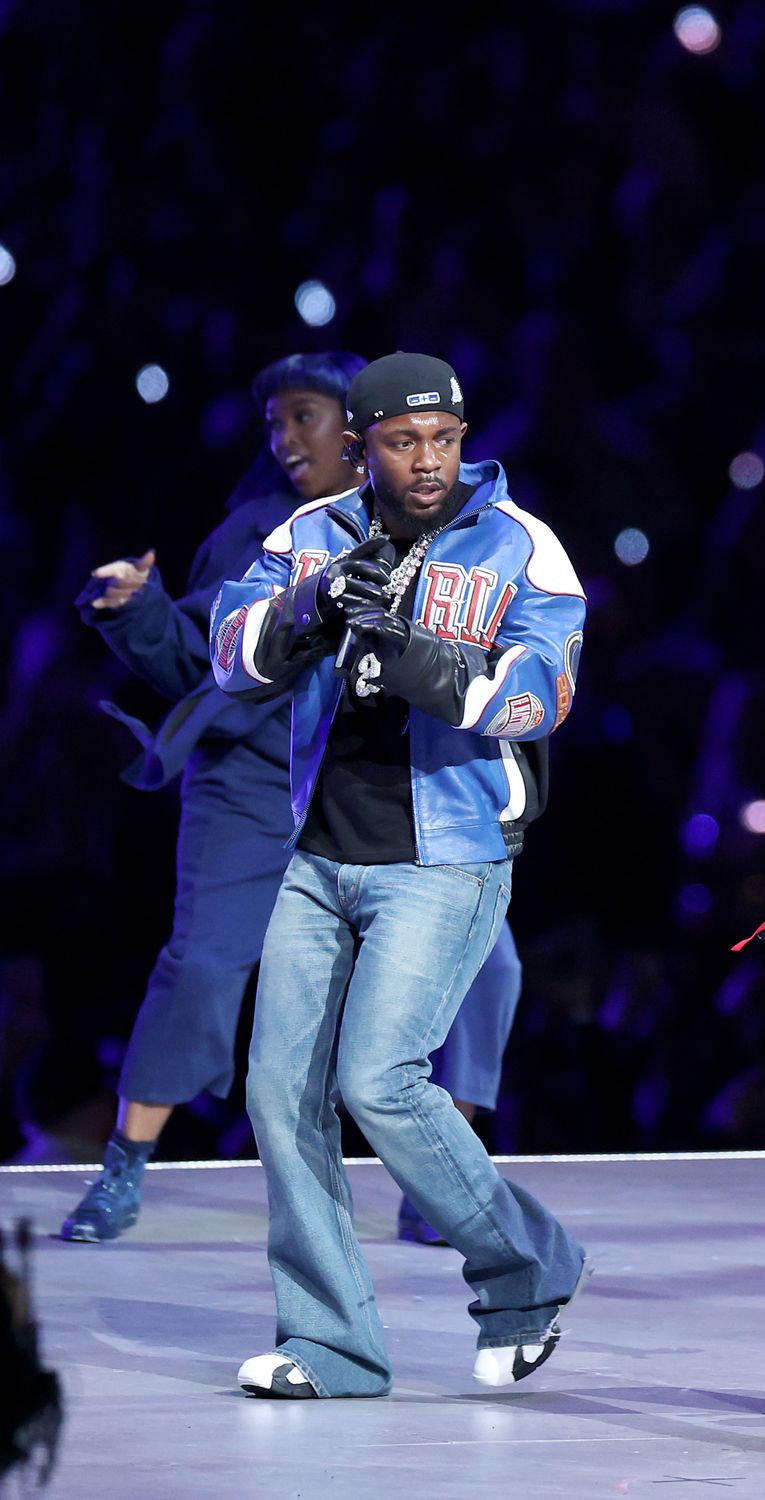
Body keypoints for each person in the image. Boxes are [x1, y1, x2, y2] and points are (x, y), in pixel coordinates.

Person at [61, 352, 522, 1248]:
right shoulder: (264, 531)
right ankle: (123, 1166)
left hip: (389, 783)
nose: (283, 439)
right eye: (274, 423)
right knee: (204, 966)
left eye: (302, 416)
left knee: (488, 966)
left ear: (358, 432)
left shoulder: (457, 527)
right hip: (254, 787)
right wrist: (139, 609)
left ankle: (446, 1177)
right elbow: (202, 666)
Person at [211, 352, 587, 1398]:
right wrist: (314, 610)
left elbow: (540, 695)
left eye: (444, 439)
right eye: (401, 441)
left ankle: (526, 1265)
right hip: (319, 858)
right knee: (279, 1095)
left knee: (377, 1080)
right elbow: (231, 657)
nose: (427, 462)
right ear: (363, 444)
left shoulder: (519, 544)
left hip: (447, 857)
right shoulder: (310, 536)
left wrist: (415, 658)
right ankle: (330, 1345)